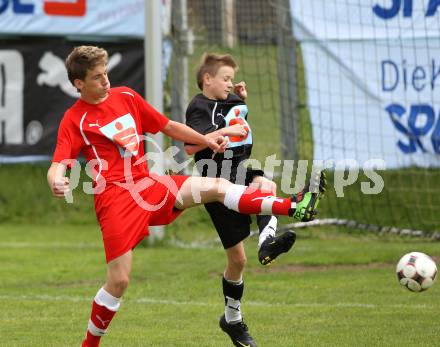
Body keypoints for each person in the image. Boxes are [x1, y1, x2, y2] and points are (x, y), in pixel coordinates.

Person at [46, 46, 325, 347]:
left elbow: (166, 126)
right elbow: (58, 165)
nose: (105, 81)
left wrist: (204, 138)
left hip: (148, 184)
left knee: (216, 186)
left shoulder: (125, 96)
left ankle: (293, 206)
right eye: (97, 77)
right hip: (115, 199)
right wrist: (57, 180)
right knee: (119, 280)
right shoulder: (75, 120)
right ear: (79, 84)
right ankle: (89, 345)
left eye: (106, 74)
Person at [184, 53, 298, 347]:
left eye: (232, 79)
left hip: (238, 171)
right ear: (207, 79)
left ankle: (267, 243)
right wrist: (224, 130)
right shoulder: (199, 105)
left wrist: (241, 104)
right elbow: (190, 144)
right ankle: (232, 320)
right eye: (225, 78)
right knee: (237, 260)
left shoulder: (230, 103)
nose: (230, 84)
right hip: (215, 180)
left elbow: (240, 137)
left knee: (266, 183)